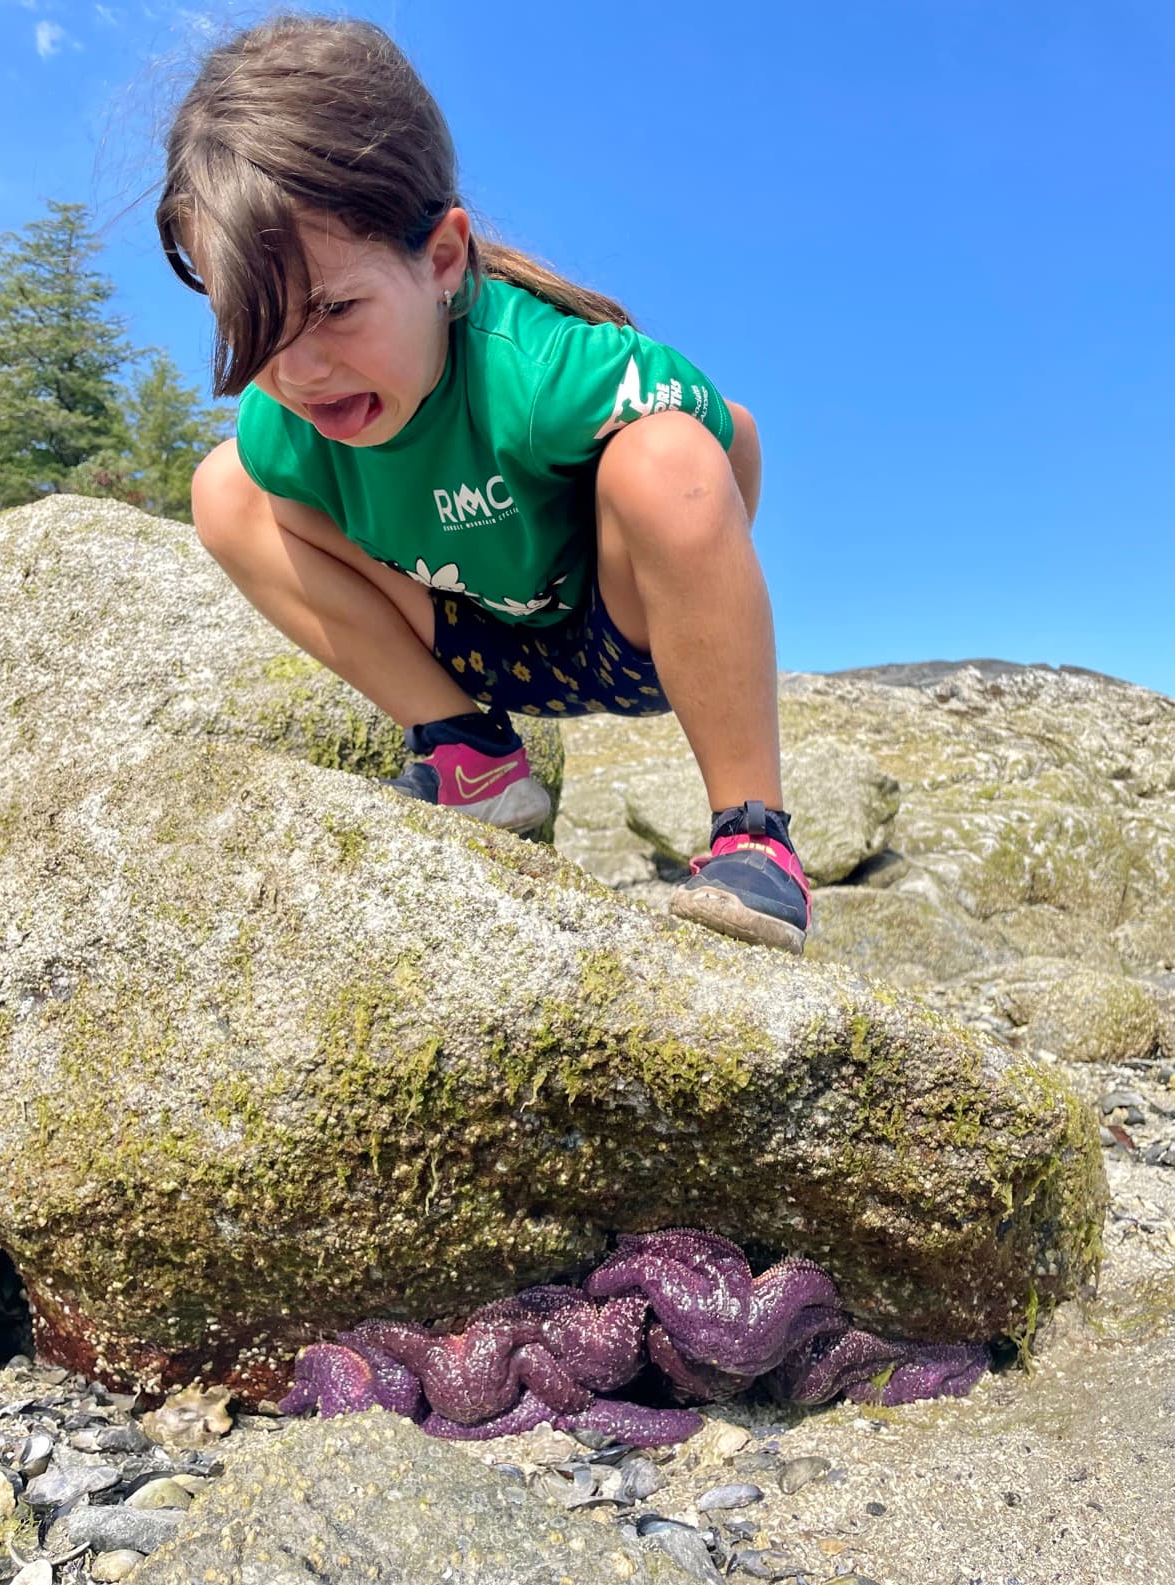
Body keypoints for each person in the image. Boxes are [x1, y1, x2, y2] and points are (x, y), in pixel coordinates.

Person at [156, 14, 812, 954]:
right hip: (469, 642)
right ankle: (469, 753)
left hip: (614, 630)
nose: (301, 368)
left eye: (336, 309)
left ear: (443, 259)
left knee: (672, 457)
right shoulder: (283, 429)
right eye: (254, 324)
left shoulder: (545, 371)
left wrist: (693, 588)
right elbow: (271, 492)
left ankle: (754, 835)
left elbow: (732, 443)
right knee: (225, 488)